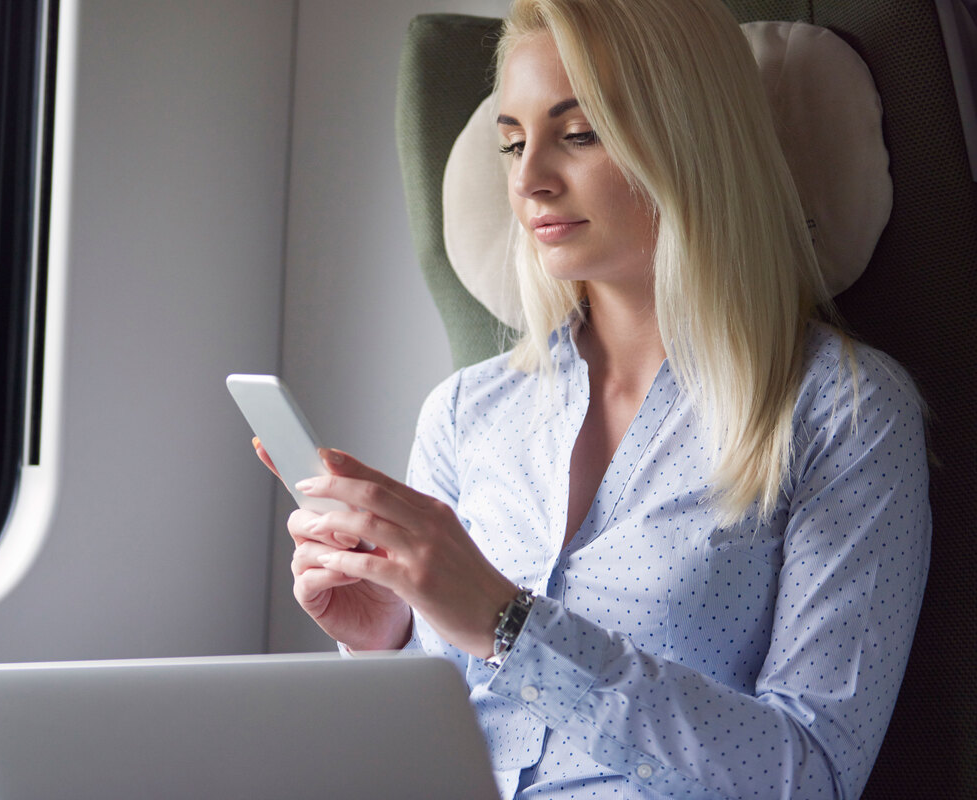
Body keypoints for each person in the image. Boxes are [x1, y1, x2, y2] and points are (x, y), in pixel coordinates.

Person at [256, 0, 930, 797]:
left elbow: (810, 773)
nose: (528, 179)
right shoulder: (463, 414)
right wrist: (385, 646)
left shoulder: (839, 411)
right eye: (511, 142)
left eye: (577, 134)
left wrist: (511, 627)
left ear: (691, 136)